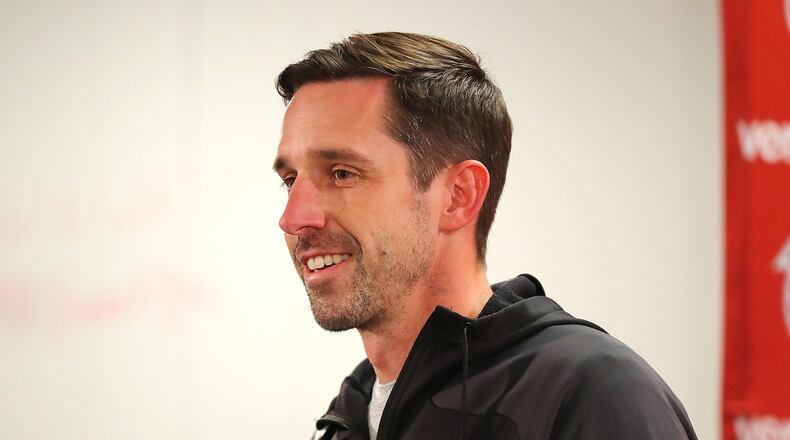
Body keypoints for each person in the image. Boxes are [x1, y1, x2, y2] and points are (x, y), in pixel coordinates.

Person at [273, 32, 697, 440]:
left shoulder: (591, 393)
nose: (293, 218)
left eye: (342, 174)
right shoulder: (348, 415)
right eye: (290, 180)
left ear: (459, 196)